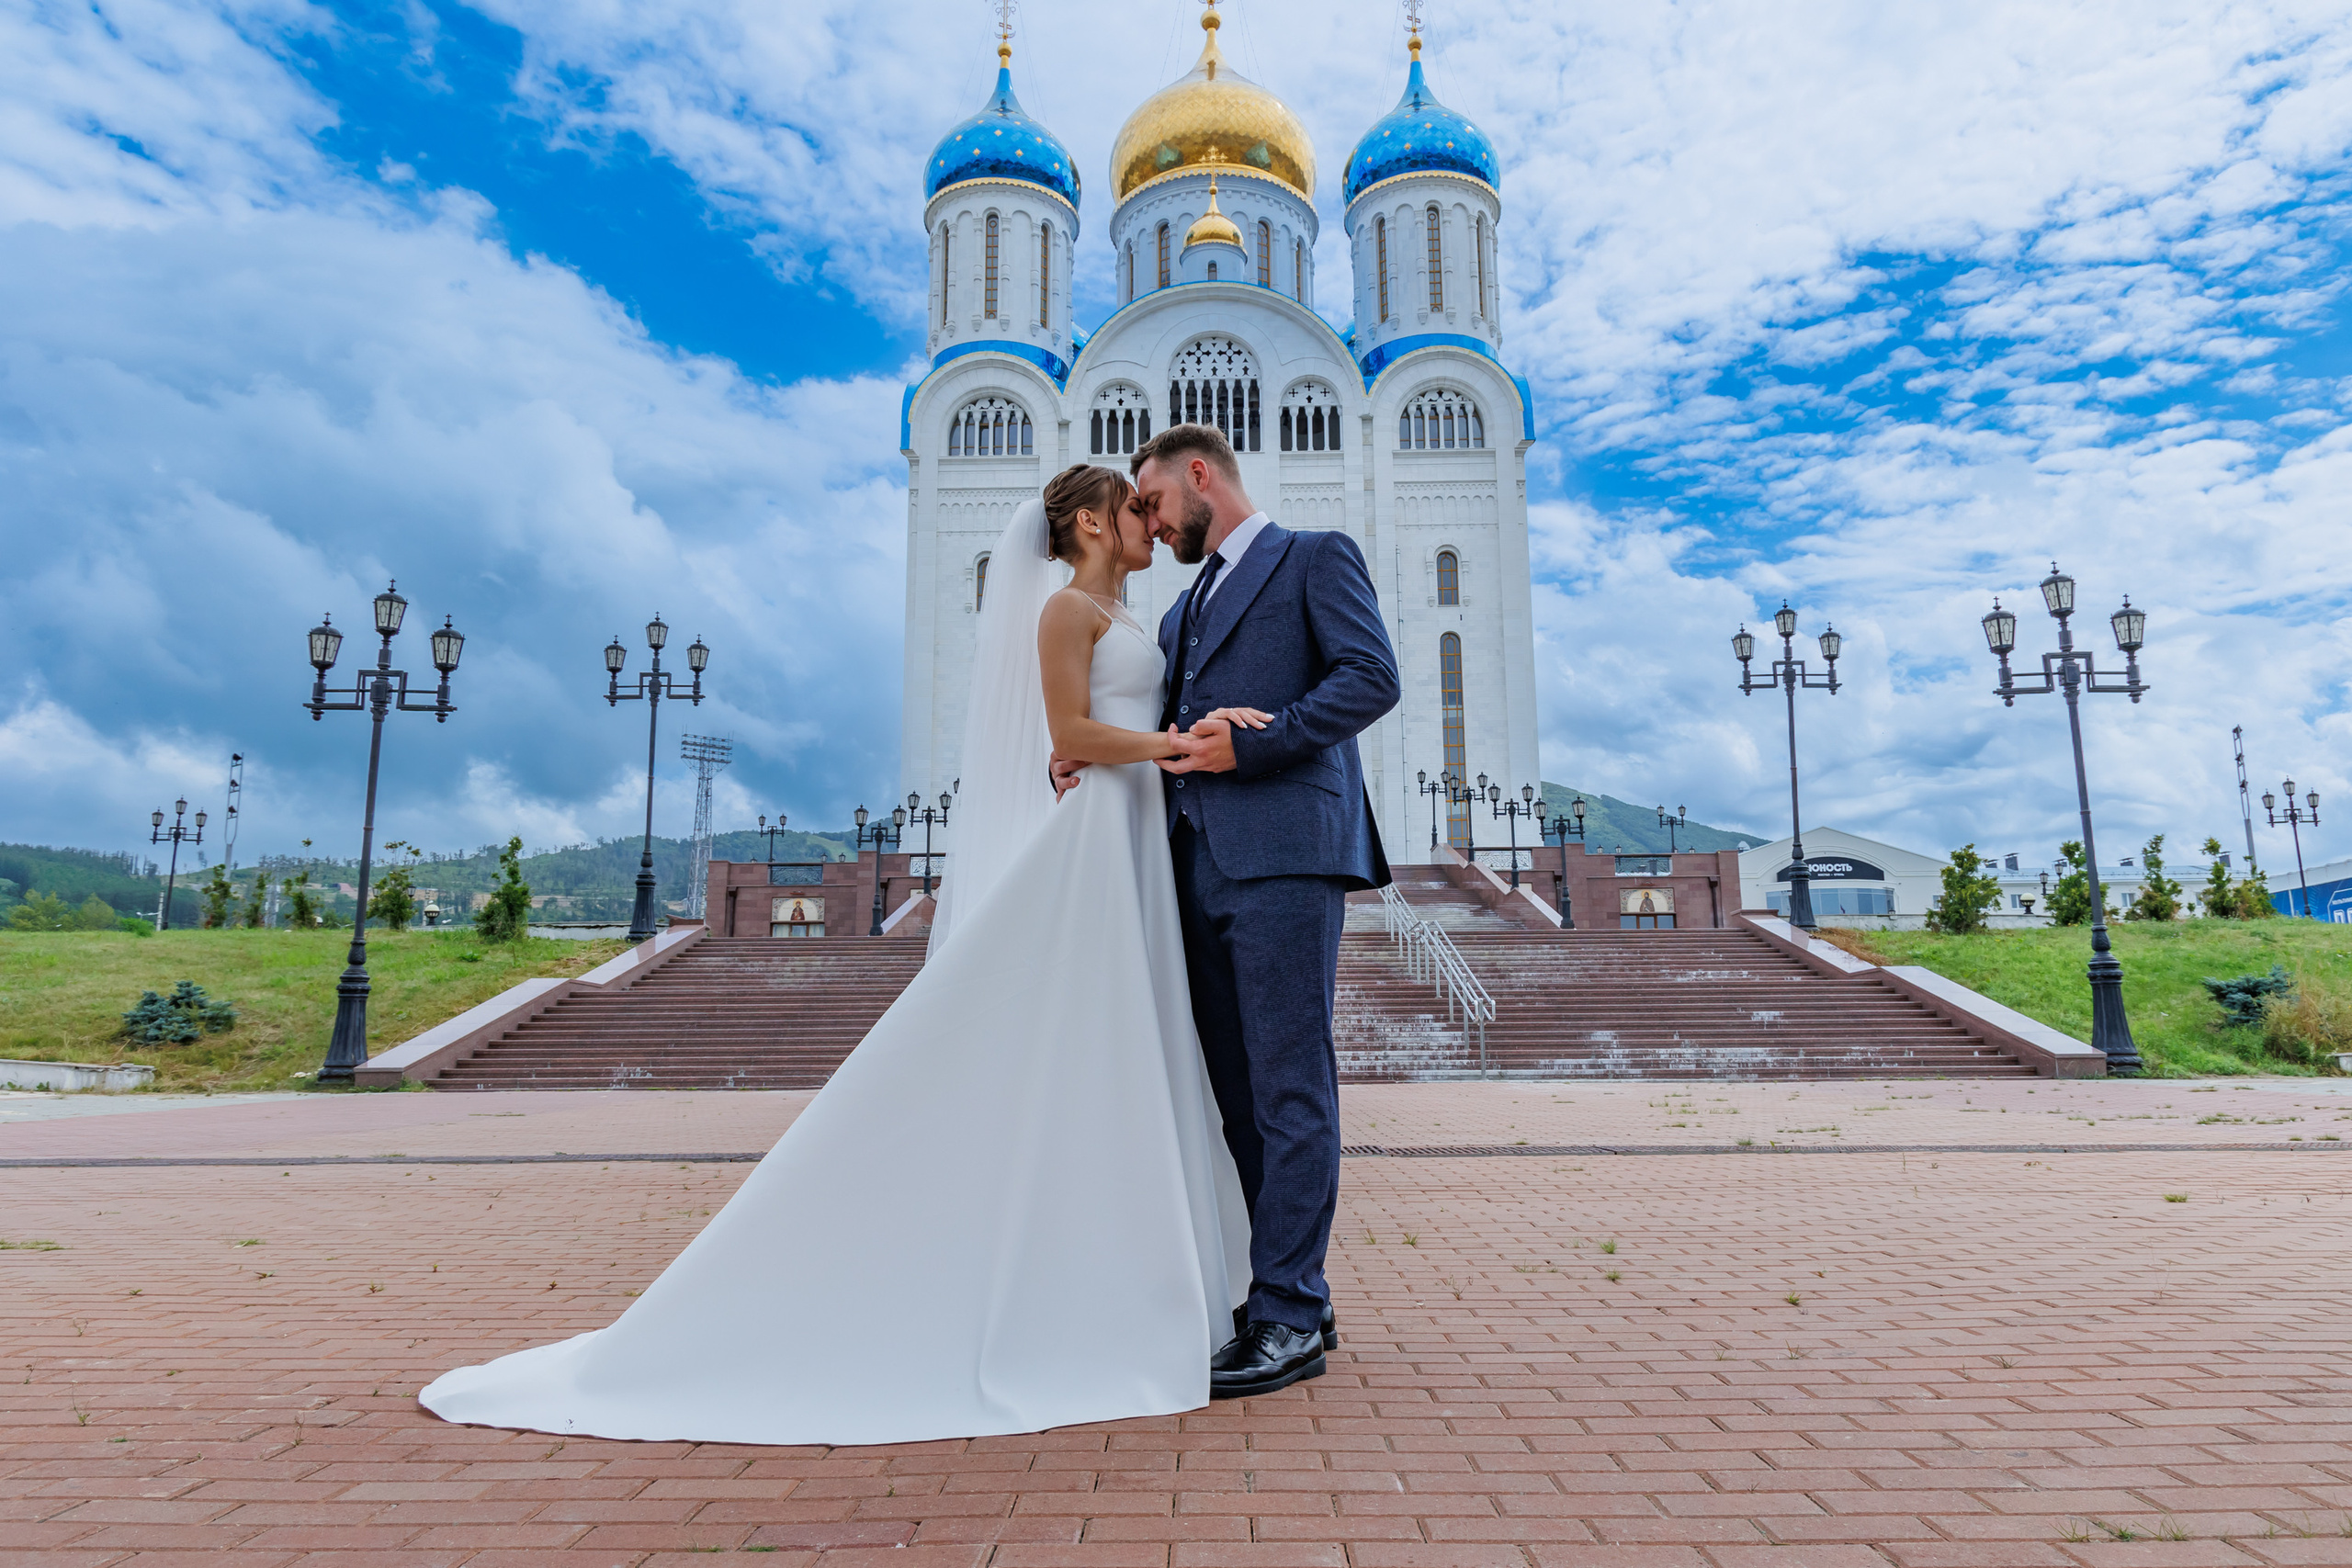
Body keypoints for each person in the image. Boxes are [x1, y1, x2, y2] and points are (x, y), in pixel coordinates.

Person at [418, 465, 1255, 1445]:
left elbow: (1102, 729)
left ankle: (1139, 1274)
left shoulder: (1134, 612)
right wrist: (1169, 748)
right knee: (1081, 1026)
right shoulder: (1067, 611)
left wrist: (1181, 736)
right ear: (1085, 522)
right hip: (1101, 836)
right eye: (1133, 508)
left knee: (1133, 1041)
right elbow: (1067, 728)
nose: (1152, 523)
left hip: (1137, 834)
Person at [1056, 422, 1400, 1397]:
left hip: (1287, 850)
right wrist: (1086, 746)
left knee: (1290, 1084)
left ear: (1197, 475)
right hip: (1191, 862)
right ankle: (1298, 1292)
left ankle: (1286, 1315)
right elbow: (1168, 733)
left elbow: (1371, 678)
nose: (1151, 527)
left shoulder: (1311, 558)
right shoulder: (1176, 616)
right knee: (1235, 1095)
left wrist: (1260, 742)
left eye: (1155, 503)